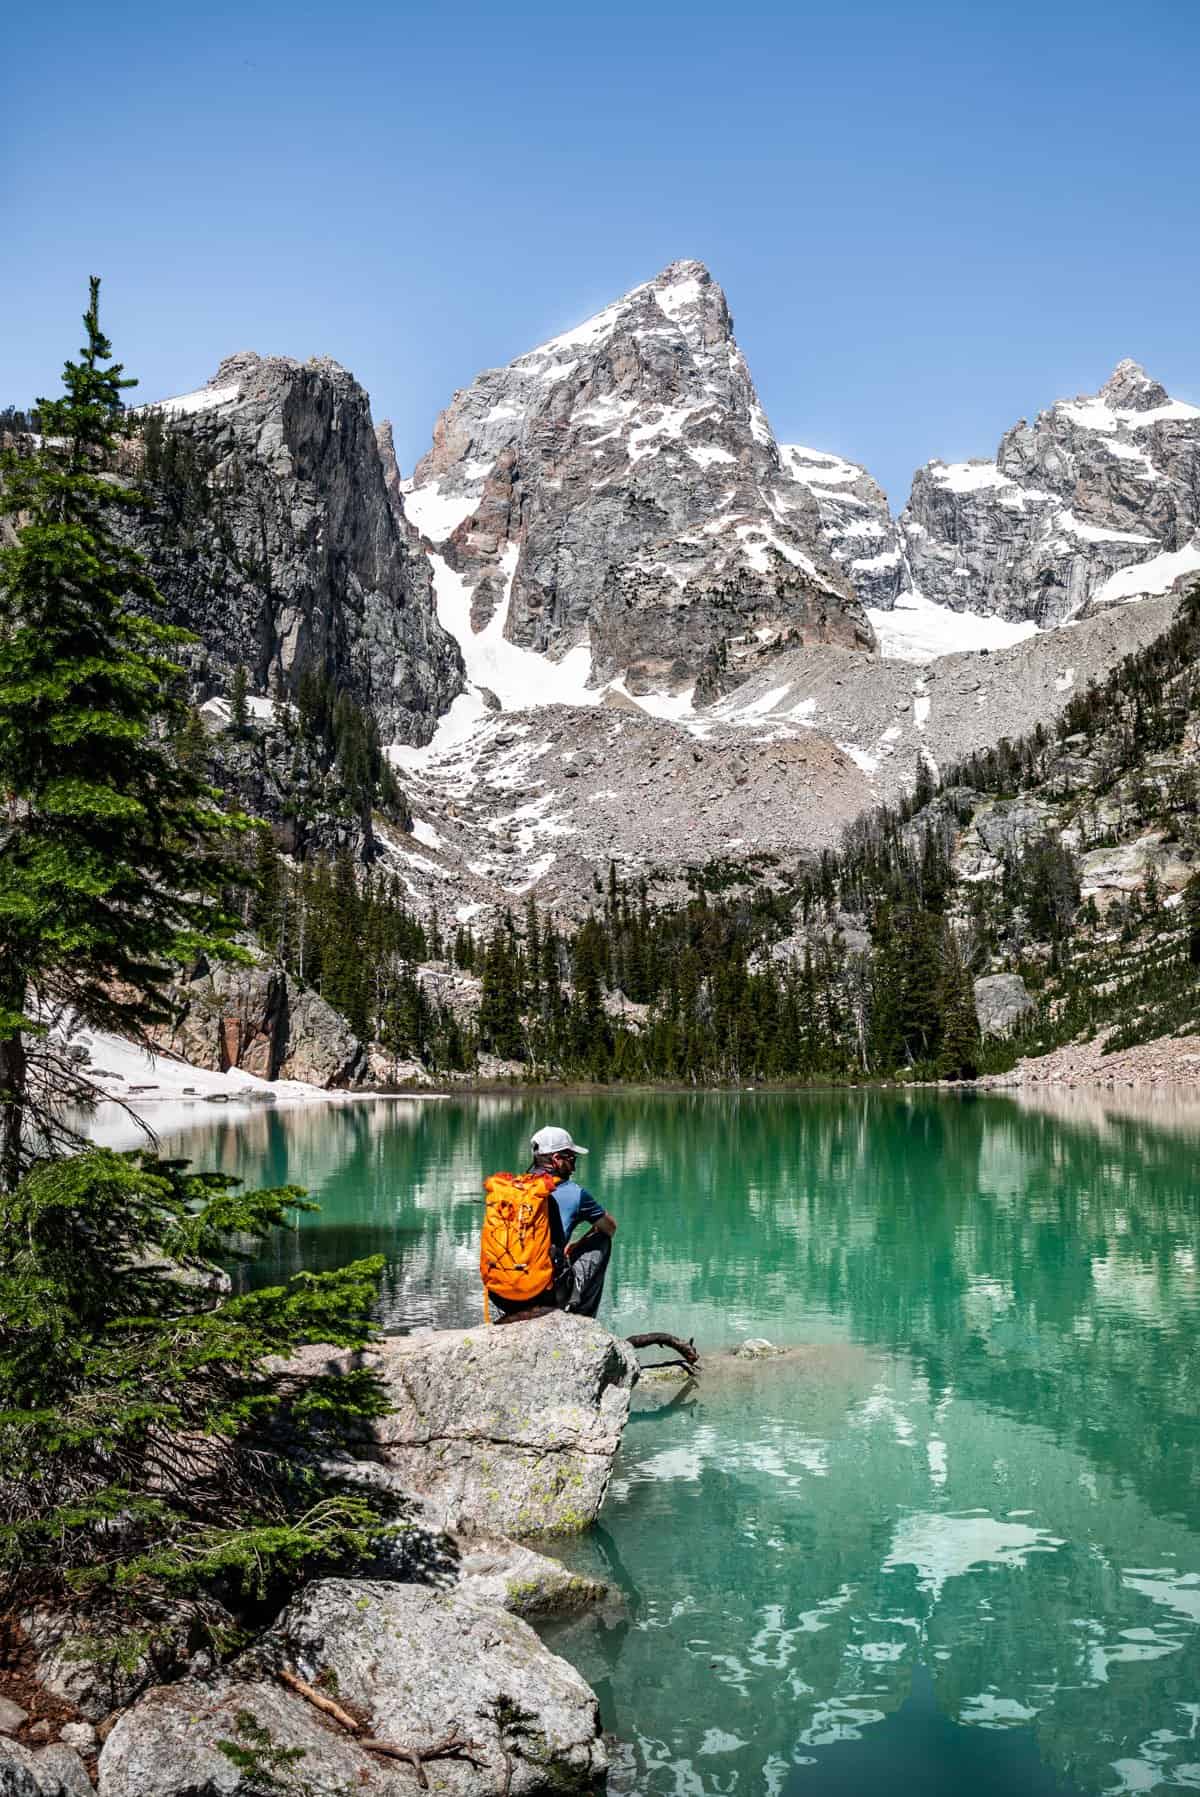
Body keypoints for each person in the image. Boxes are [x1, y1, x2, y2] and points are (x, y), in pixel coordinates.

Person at [485, 1125, 617, 1322]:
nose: (574, 1166)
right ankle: (583, 1322)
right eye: (572, 1159)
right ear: (557, 1160)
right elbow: (610, 1228)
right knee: (602, 1241)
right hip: (543, 1294)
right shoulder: (575, 1193)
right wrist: (579, 1244)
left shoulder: (513, 1190)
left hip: (500, 1296)